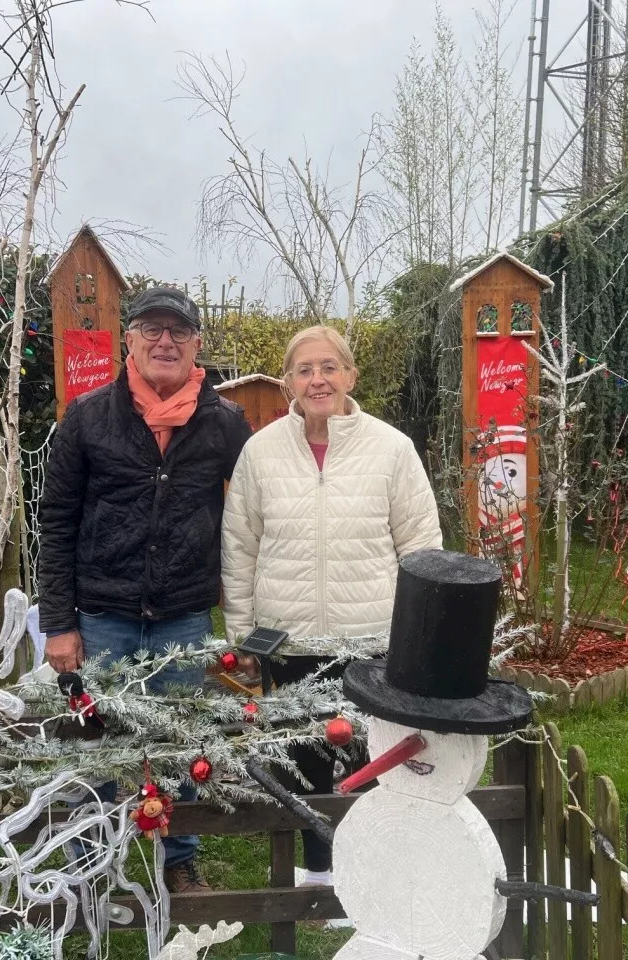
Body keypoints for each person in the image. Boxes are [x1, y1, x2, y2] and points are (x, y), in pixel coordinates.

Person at [38, 285, 253, 894]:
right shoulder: (87, 418)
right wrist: (59, 623)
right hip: (102, 612)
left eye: (178, 332)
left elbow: (267, 496)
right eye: (152, 330)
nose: (165, 341)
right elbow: (55, 522)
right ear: (128, 340)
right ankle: (88, 862)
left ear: (196, 345)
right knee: (95, 741)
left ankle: (178, 856)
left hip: (183, 615)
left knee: (180, 740)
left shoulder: (224, 423)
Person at [220, 324, 442, 886]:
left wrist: (417, 637)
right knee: (303, 758)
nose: (317, 380)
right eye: (303, 370)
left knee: (373, 759)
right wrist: (242, 638)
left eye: (328, 367)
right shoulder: (260, 452)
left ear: (350, 375)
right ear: (288, 382)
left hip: (370, 636)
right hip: (286, 639)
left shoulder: (392, 449)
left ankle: (372, 875)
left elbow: (421, 548)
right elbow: (240, 547)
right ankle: (318, 869)